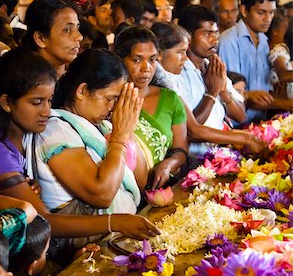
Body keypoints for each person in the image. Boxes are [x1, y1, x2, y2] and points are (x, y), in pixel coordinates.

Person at [0, 49, 160, 265]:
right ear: (6, 103)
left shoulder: (29, 137)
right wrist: (114, 222)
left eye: (49, 100)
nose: (46, 111)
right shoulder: (4, 151)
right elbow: (45, 220)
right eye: (37, 102)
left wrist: (126, 131)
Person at [35, 48, 147, 218]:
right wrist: (118, 140)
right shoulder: (55, 130)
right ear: (82, 91)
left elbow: (140, 182)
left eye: (118, 100)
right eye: (109, 99)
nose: (113, 108)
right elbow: (102, 195)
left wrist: (127, 129)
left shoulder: (104, 126)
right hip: (91, 242)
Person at [151, 22, 265, 159]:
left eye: (185, 52)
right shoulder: (163, 80)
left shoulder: (174, 75)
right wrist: (246, 138)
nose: (185, 58)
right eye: (180, 52)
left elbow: (240, 116)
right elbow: (192, 130)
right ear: (159, 54)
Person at [114, 26, 188, 190]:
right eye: (137, 60)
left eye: (152, 60)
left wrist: (169, 164)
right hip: (122, 191)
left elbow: (180, 150)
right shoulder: (111, 102)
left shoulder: (170, 99)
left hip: (160, 191)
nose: (146, 68)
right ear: (120, 59)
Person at [178, 5, 246, 133]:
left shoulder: (214, 67)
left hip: (219, 149)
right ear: (188, 36)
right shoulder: (179, 72)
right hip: (195, 152)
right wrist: (213, 92)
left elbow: (241, 116)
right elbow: (189, 129)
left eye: (216, 33)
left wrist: (223, 91)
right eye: (207, 34)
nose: (215, 40)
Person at [218, 0, 278, 123]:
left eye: (272, 13)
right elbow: (229, 92)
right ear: (244, 10)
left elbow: (265, 89)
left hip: (259, 123)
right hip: (235, 126)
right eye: (261, 12)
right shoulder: (229, 41)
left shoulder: (263, 41)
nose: (267, 19)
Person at [21, 0, 83, 80]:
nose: (79, 37)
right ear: (40, 38)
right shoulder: (26, 87)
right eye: (67, 30)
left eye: (77, 28)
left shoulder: (80, 78)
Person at [266, 13, 293, 99]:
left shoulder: (274, 48)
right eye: (285, 30)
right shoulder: (278, 50)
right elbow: (283, 74)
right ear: (275, 31)